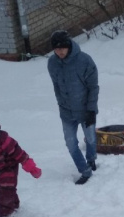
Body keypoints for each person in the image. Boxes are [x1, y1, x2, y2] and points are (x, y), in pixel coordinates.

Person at [47, 30, 99, 185]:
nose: (59, 51)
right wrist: (60, 103)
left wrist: (91, 110)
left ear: (68, 46)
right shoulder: (52, 63)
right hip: (66, 111)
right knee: (70, 143)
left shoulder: (84, 61)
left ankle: (91, 159)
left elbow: (93, 87)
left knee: (90, 137)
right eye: (56, 49)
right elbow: (56, 86)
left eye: (62, 48)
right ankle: (84, 170)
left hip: (85, 109)